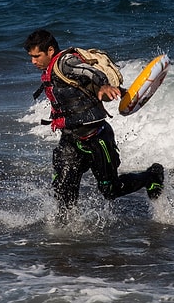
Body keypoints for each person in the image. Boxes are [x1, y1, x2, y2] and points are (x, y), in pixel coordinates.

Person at [24, 28, 164, 219]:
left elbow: (90, 71)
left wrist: (104, 84)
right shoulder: (51, 70)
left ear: (50, 50)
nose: (33, 61)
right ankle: (68, 242)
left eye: (36, 56)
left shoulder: (65, 62)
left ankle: (152, 176)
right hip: (70, 139)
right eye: (31, 57)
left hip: (96, 137)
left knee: (110, 190)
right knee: (63, 193)